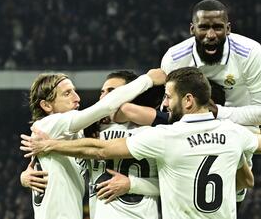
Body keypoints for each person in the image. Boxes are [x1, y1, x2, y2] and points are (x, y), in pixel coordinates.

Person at [21, 67, 261, 219]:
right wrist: (26, 173)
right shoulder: (87, 128)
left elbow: (172, 185)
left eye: (114, 91)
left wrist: (134, 183)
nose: (104, 98)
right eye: (102, 92)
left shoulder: (160, 133)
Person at [160, 0, 261, 205]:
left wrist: (218, 114)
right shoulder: (175, 59)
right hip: (192, 134)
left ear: (228, 28)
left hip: (237, 137)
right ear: (192, 29)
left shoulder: (250, 53)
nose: (211, 35)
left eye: (218, 28)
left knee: (232, 197)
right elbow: (168, 107)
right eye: (203, 27)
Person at [20, 69, 164, 219]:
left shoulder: (150, 132)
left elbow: (169, 182)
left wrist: (132, 184)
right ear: (47, 106)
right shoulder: (52, 126)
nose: (77, 98)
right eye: (67, 93)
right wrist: (147, 79)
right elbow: (104, 108)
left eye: (113, 92)